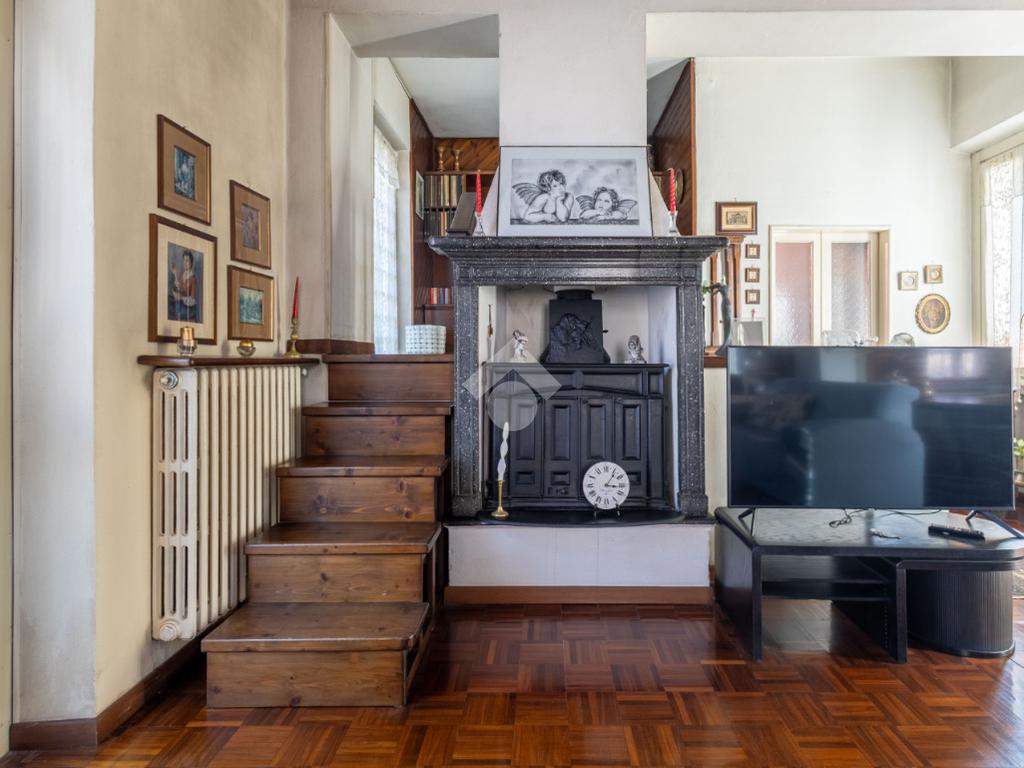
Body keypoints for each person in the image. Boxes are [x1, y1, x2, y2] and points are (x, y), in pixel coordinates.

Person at [170, 250, 199, 322]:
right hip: (180, 305)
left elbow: (193, 300)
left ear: (191, 263)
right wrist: (175, 273)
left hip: (188, 308)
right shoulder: (182, 274)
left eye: (187, 261)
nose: (185, 263)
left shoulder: (193, 278)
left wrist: (181, 298)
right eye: (184, 260)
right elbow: (178, 287)